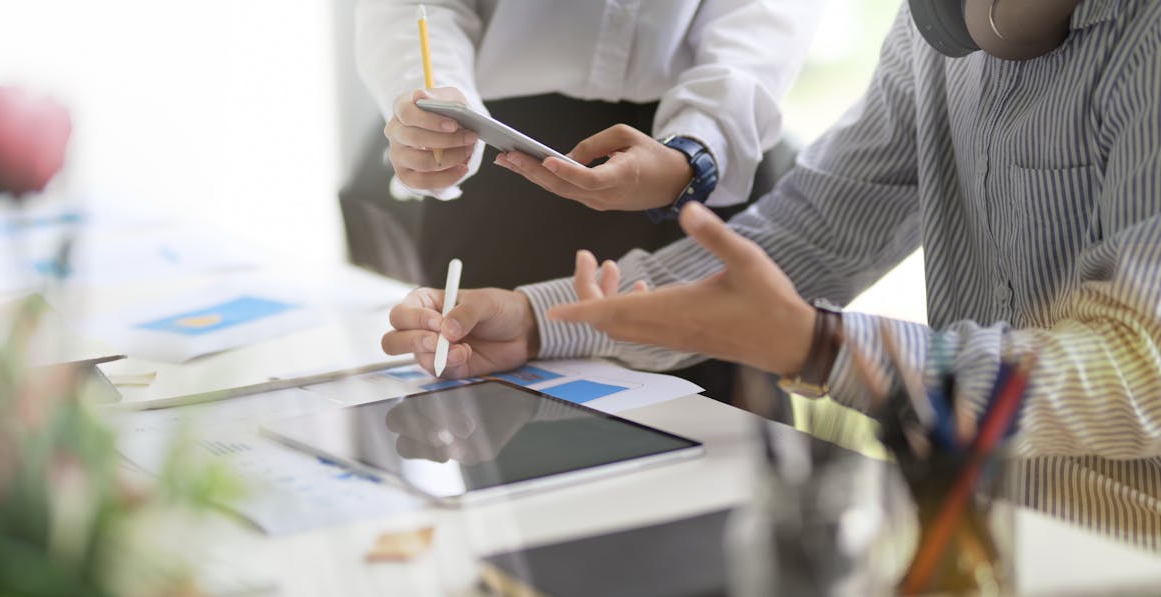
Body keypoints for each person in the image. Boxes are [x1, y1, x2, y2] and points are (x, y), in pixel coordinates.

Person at [382, 0, 1161, 547]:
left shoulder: (1144, 43)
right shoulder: (939, 31)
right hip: (963, 521)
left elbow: (1139, 370)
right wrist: (541, 318)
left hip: (1118, 541)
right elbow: (810, 227)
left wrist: (822, 346)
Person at [354, 0, 823, 289]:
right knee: (492, 407)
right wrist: (435, 104)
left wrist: (698, 147)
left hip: (692, 158)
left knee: (709, 412)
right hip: (500, 153)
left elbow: (768, 11)